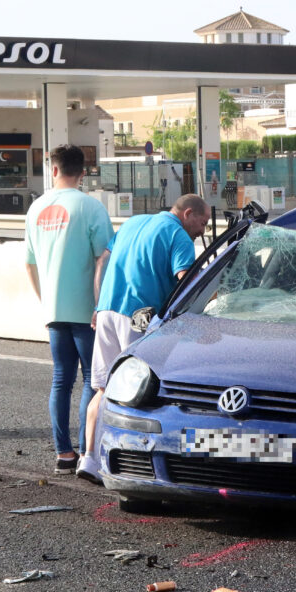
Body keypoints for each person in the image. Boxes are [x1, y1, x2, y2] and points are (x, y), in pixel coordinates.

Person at [76, 194, 209, 483]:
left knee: (102, 389)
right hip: (139, 317)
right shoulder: (179, 236)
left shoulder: (133, 222)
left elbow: (103, 262)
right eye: (202, 223)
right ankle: (132, 463)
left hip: (108, 311)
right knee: (138, 392)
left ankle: (88, 458)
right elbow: (187, 280)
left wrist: (98, 305)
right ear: (188, 213)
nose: (203, 231)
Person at [25, 144, 114, 475]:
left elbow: (29, 264)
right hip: (87, 311)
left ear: (53, 169)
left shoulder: (35, 208)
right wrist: (100, 304)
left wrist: (46, 301)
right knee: (92, 380)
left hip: (54, 309)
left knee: (61, 379)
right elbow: (103, 259)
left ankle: (64, 453)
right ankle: (86, 451)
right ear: (84, 171)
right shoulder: (91, 207)